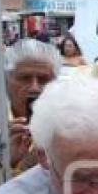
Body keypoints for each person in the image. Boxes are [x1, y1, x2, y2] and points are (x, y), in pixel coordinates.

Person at [5, 39, 61, 177]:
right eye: (24, 78)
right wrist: (7, 161)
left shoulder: (66, 125)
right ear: (6, 81)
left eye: (43, 79)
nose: (34, 88)